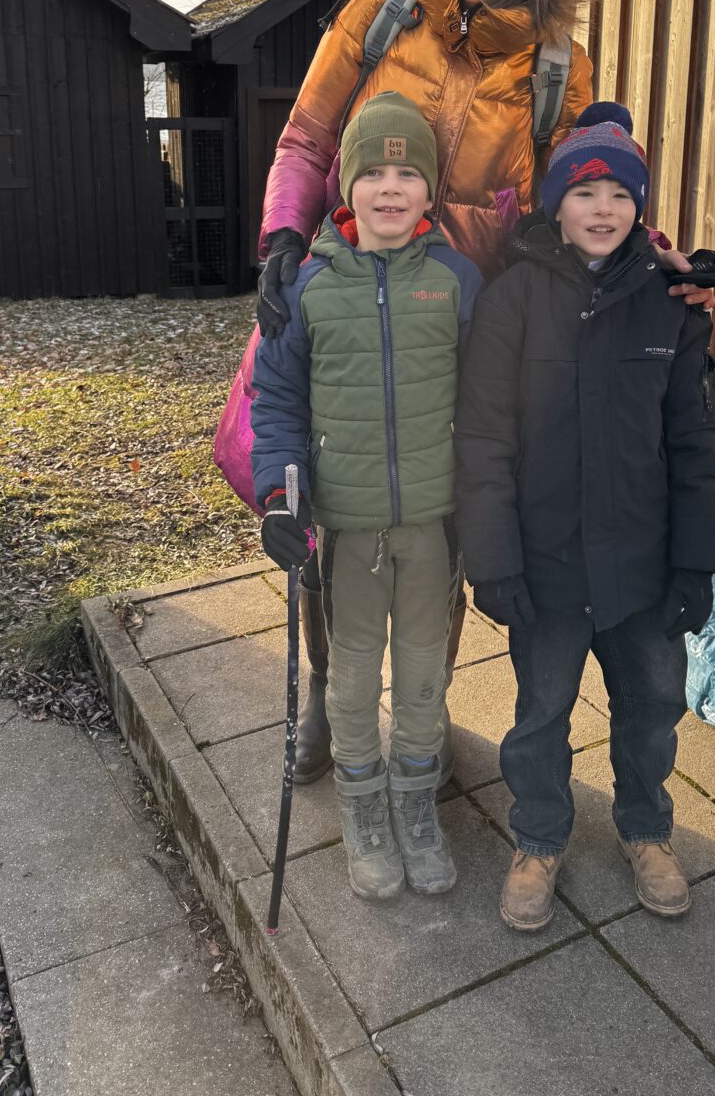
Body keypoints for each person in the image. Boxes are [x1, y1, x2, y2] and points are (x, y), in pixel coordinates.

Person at [249, 0, 715, 788]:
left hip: (471, 314)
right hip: (347, 284)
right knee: (326, 505)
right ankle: (323, 691)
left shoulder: (560, 63)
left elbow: (584, 196)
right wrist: (282, 242)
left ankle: (423, 709)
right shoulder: (377, 13)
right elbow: (307, 139)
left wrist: (660, 264)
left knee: (451, 516)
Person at [454, 102, 715, 931]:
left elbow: (697, 444)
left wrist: (696, 563)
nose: (603, 207)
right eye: (585, 191)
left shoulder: (671, 310)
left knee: (652, 707)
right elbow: (483, 440)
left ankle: (647, 828)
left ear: (640, 208)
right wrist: (493, 560)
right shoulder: (511, 304)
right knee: (540, 714)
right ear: (555, 203)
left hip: (645, 566)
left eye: (620, 192)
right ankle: (538, 837)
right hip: (545, 562)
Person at [251, 92, 481, 900]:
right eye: (373, 172)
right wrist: (279, 499)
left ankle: (415, 801)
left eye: (407, 173)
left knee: (424, 675)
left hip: (430, 526)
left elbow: (490, 403)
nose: (390, 188)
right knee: (350, 680)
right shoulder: (307, 287)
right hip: (343, 533)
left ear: (429, 191)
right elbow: (275, 406)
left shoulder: (456, 281)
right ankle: (363, 808)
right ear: (346, 185)